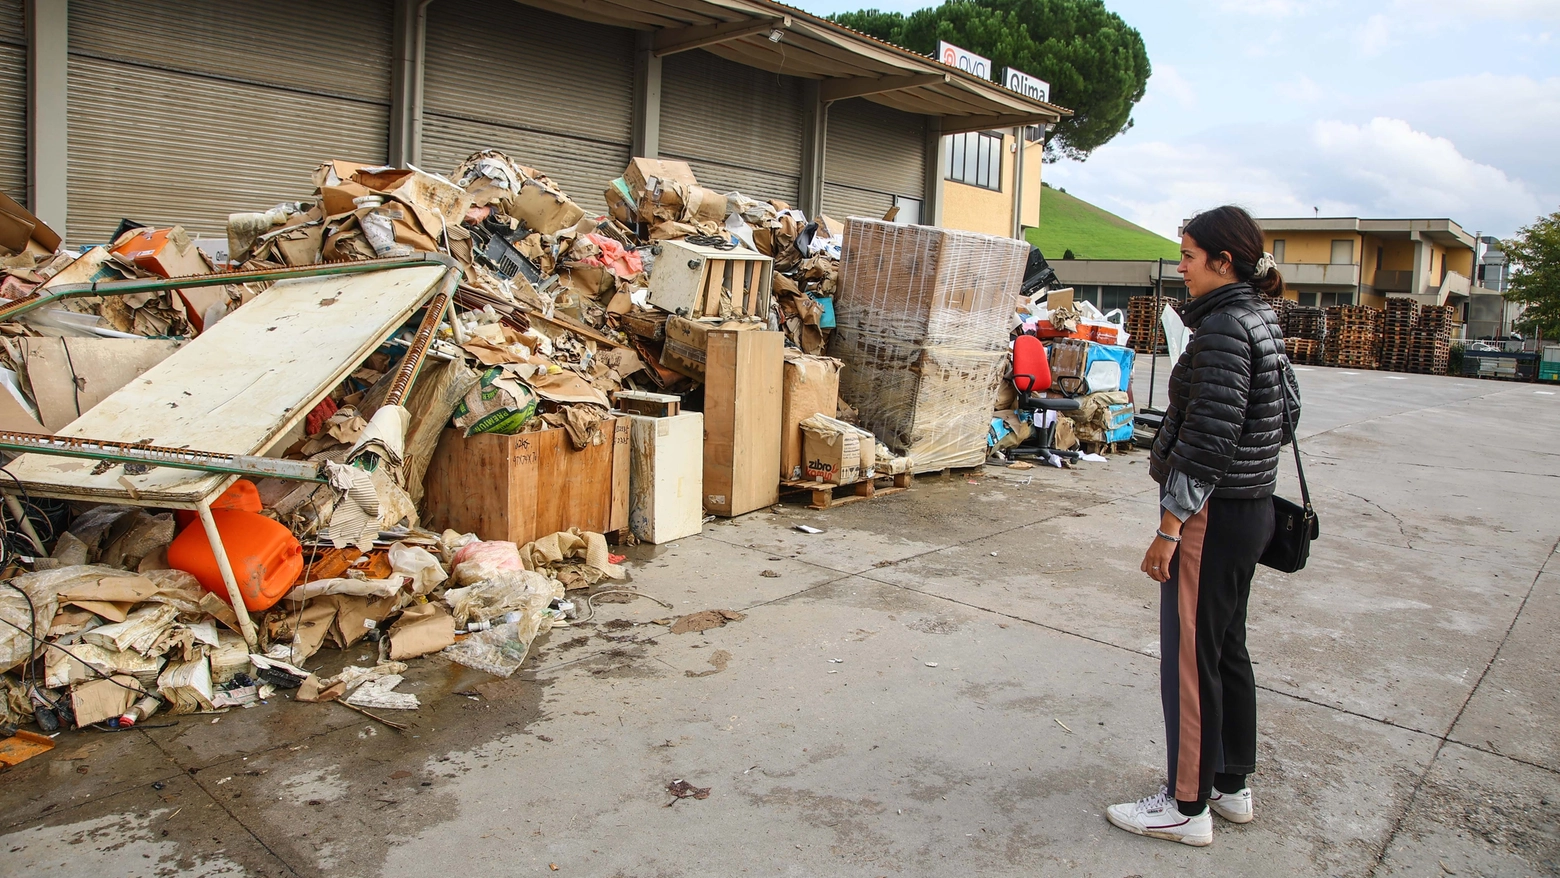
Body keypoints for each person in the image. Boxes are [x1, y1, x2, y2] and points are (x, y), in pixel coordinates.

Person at [1106, 205, 1289, 847]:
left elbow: (1207, 441)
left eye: (1187, 257)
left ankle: (1186, 807)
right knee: (1224, 647)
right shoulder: (1261, 318)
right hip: (1253, 508)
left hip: (1211, 514)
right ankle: (1230, 785)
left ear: (1223, 261)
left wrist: (1169, 526)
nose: (1180, 269)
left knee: (1189, 658)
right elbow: (1286, 416)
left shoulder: (1220, 330)